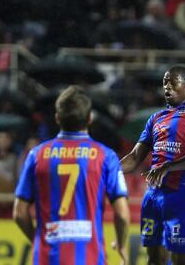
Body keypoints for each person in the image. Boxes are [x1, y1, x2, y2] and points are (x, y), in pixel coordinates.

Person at [13, 85, 130, 264]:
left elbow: (19, 213)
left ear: (57, 118)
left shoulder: (36, 155)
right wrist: (121, 244)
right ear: (90, 118)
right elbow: (122, 214)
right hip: (90, 258)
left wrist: (38, 239)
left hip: (47, 257)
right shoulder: (106, 156)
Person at [120, 66, 185, 265]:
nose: (167, 87)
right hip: (153, 196)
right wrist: (106, 171)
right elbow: (135, 156)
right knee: (154, 259)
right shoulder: (155, 118)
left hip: (182, 196)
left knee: (181, 259)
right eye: (165, 83)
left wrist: (167, 167)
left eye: (173, 83)